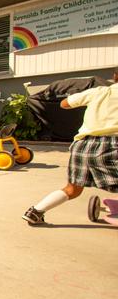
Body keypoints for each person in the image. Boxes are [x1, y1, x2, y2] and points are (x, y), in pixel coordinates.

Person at [23, 69, 118, 225]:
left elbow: (64, 103)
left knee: (72, 189)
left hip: (83, 146)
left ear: (114, 77)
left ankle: (36, 211)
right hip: (113, 145)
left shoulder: (99, 91)